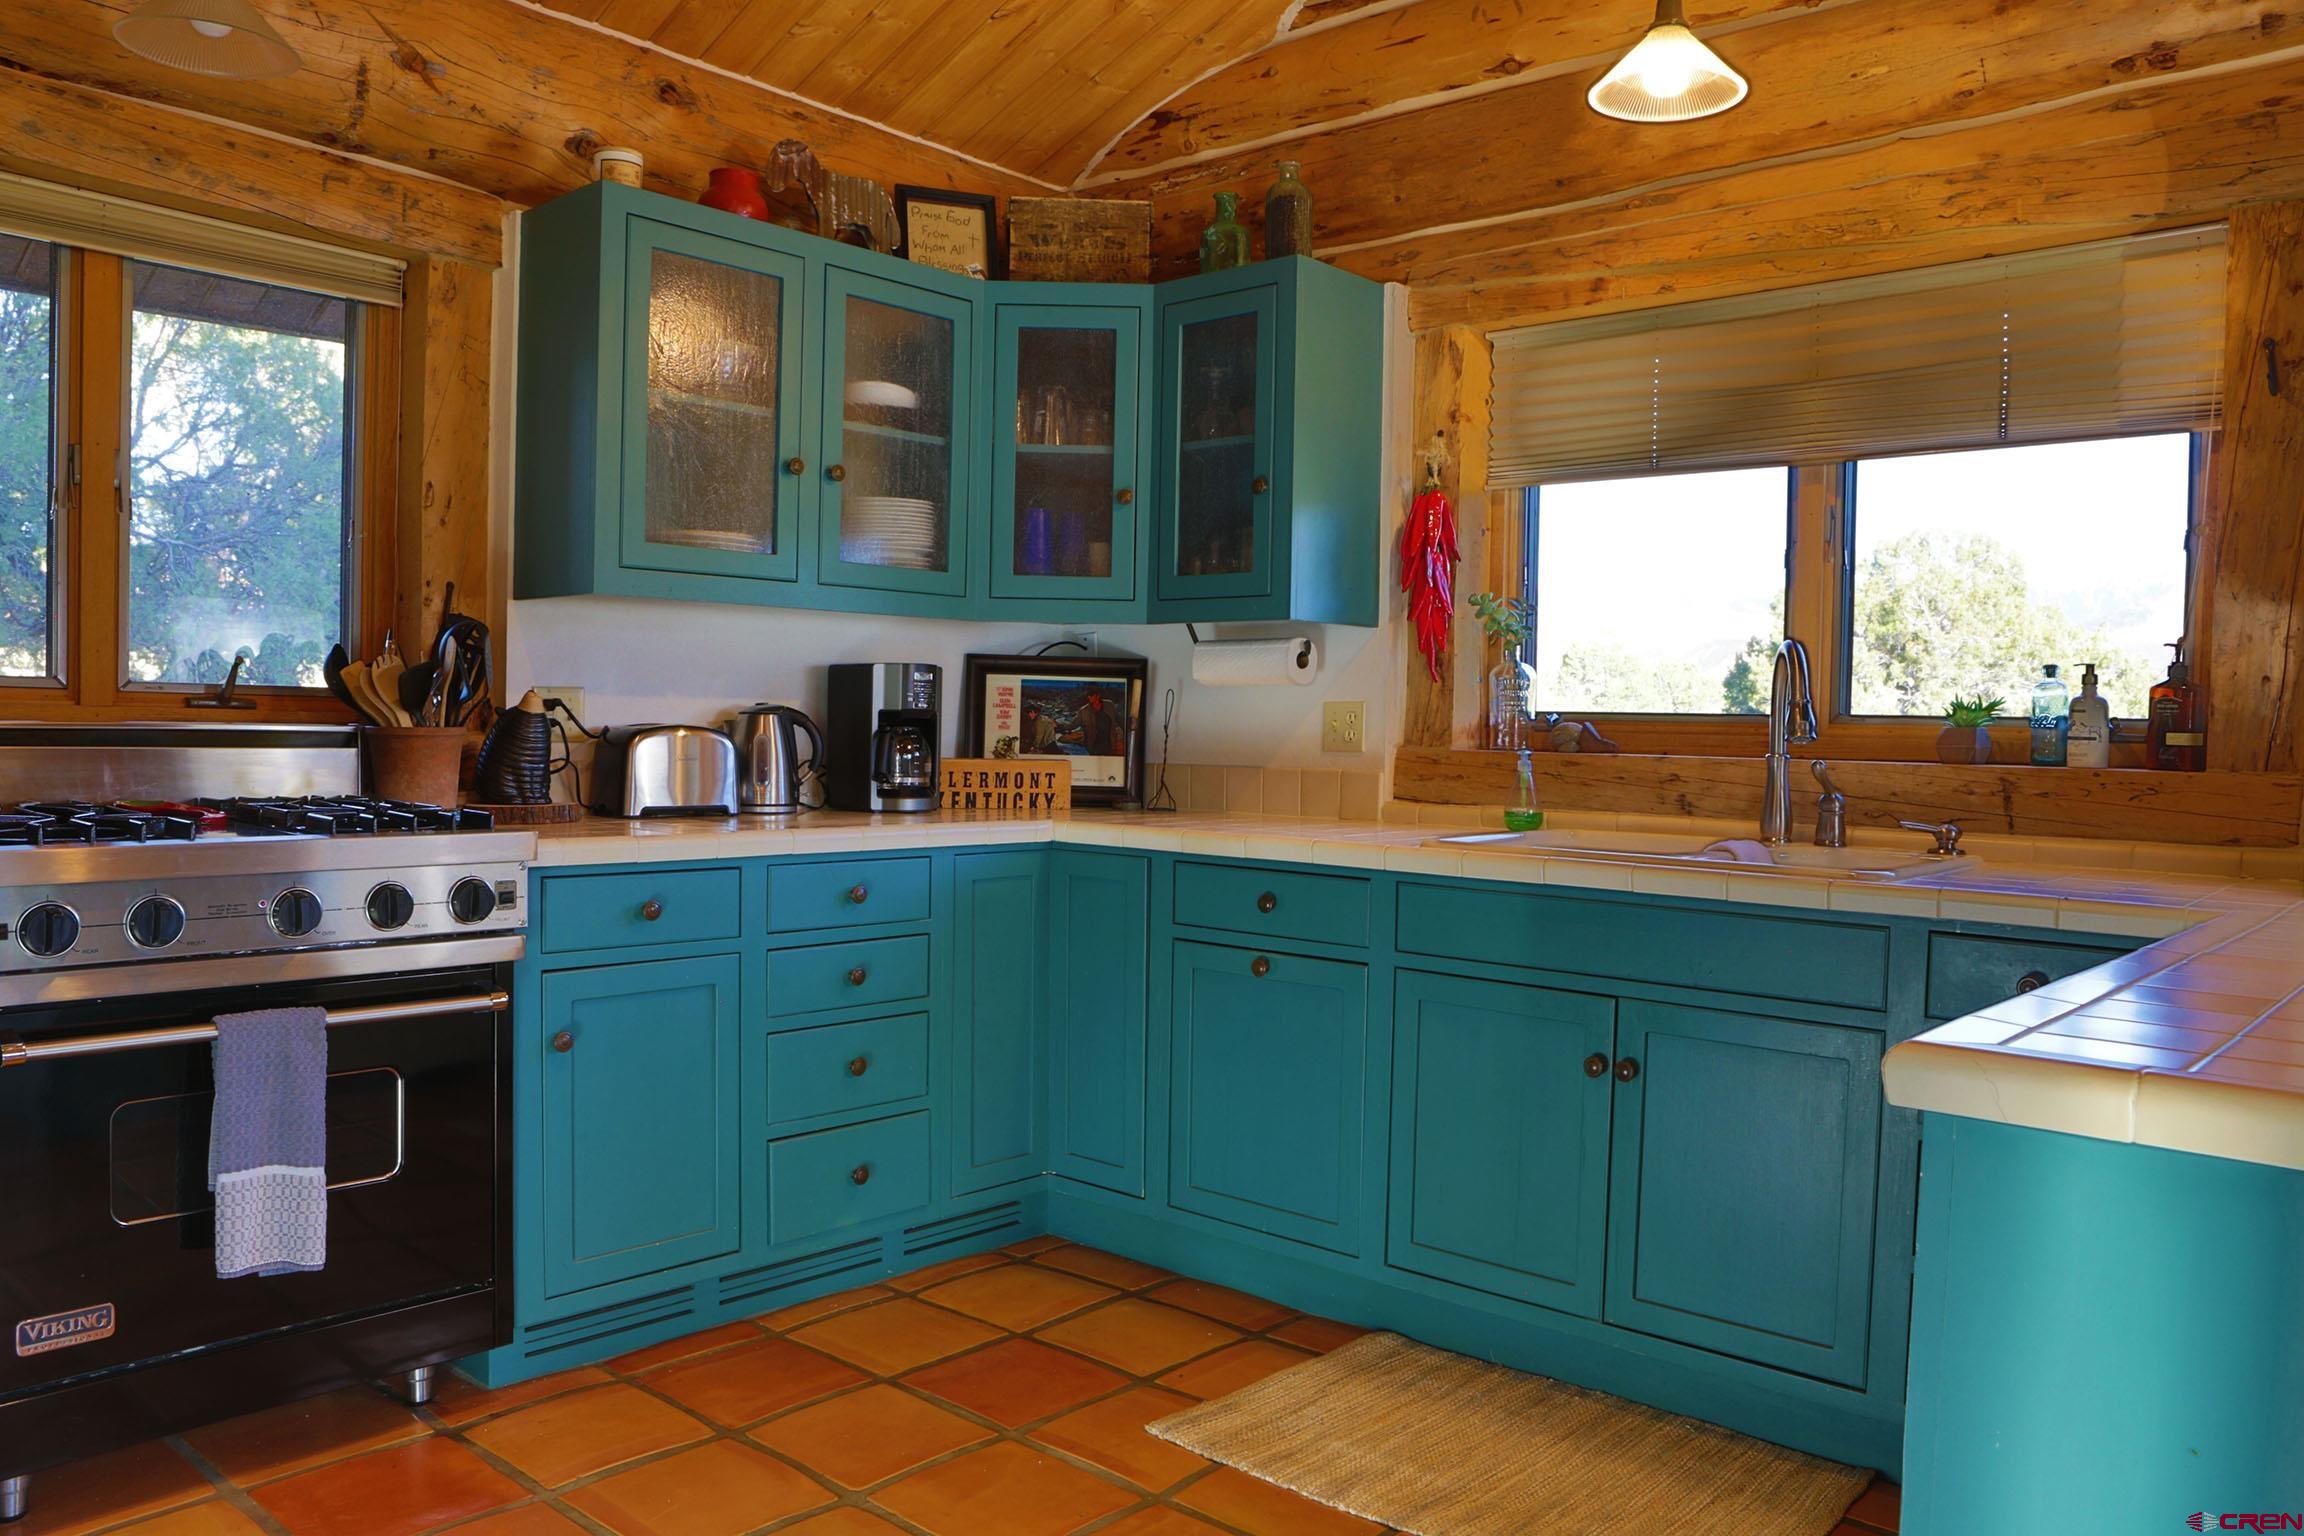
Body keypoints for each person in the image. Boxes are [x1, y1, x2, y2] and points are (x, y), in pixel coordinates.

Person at [1067, 689, 1126, 758]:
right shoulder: (1083, 711)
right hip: (1093, 743)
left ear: (1098, 696)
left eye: (1092, 696)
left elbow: (1118, 719)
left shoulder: (1109, 704)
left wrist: (1126, 731)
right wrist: (1059, 726)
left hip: (1108, 742)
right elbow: (1073, 724)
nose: (1090, 698)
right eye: (1089, 696)